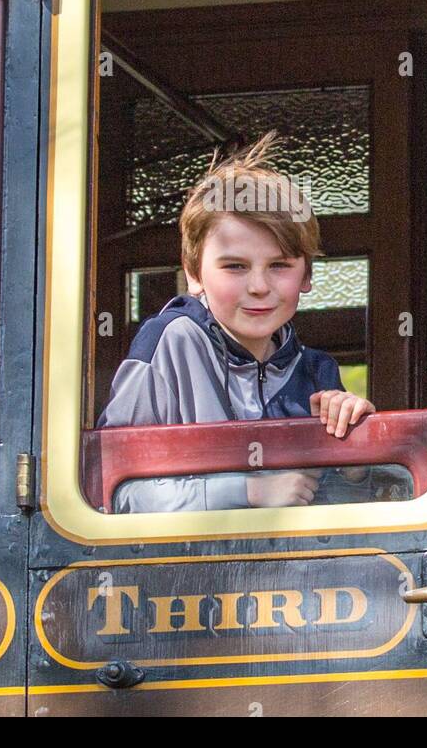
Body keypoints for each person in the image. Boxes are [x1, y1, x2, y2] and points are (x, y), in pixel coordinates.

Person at [97, 131, 377, 513]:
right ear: (194, 274)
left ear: (307, 276)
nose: (259, 286)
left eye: (279, 265)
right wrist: (247, 493)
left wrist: (357, 460)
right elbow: (111, 490)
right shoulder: (171, 342)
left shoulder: (317, 372)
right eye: (234, 266)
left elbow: (345, 516)